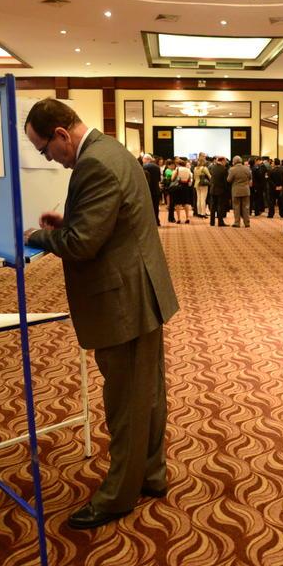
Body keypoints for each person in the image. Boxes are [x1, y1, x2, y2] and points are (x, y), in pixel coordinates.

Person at [21, 98, 179, 529]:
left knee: (125, 401)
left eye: (44, 150)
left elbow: (82, 244)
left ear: (60, 135)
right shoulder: (112, 149)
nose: (48, 158)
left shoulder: (94, 164)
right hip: (140, 290)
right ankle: (151, 472)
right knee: (145, 393)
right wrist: (67, 223)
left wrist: (39, 236)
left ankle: (117, 497)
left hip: (122, 300)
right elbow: (107, 223)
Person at [228, 155, 252, 228]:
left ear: (234, 162)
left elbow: (229, 180)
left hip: (236, 191)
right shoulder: (247, 168)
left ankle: (237, 223)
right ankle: (247, 223)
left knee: (236, 207)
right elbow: (250, 177)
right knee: (246, 207)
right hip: (246, 190)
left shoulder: (232, 169)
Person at [208, 156, 229, 227]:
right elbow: (225, 181)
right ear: (222, 161)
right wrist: (227, 190)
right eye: (225, 161)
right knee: (220, 206)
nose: (226, 162)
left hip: (213, 189)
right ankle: (220, 222)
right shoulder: (224, 169)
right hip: (221, 190)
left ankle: (212, 222)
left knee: (213, 206)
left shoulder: (212, 167)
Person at [142, 155, 163, 226]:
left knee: (147, 207)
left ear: (146, 159)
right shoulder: (157, 167)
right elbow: (159, 179)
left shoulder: (144, 167)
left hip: (147, 189)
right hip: (155, 189)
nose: (142, 160)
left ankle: (148, 222)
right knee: (155, 206)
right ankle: (156, 221)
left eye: (143, 159)